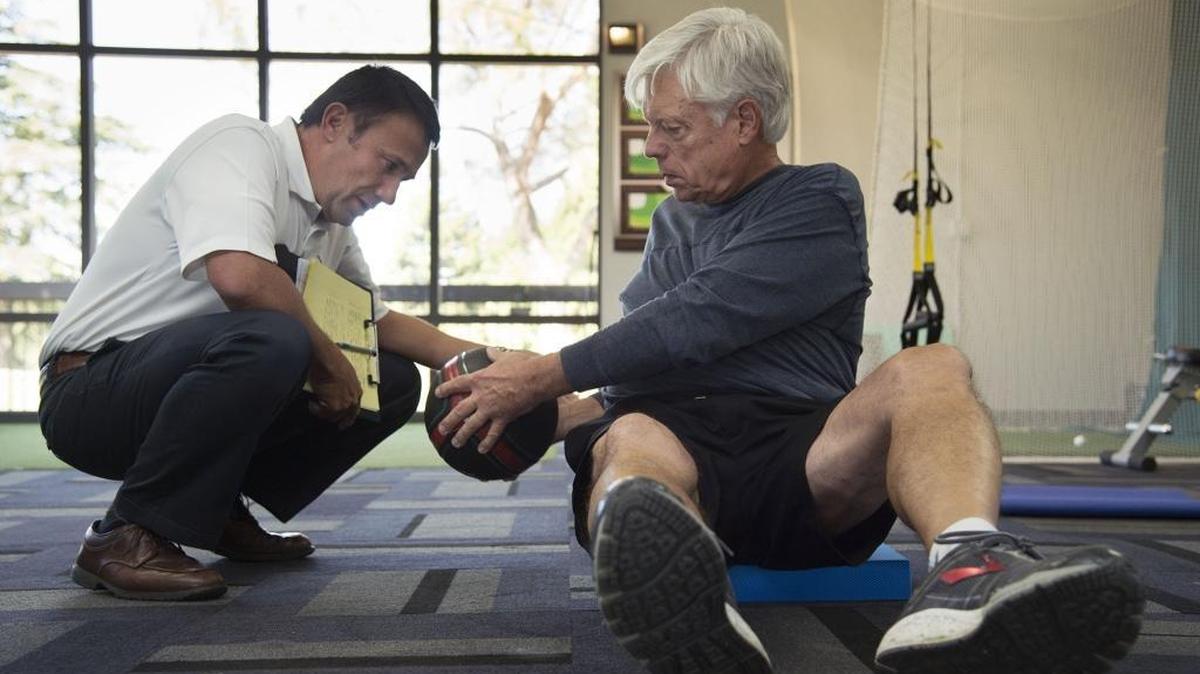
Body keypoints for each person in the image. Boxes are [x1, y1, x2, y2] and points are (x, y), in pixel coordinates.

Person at [433, 9, 1144, 673]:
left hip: (803, 458)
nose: (651, 148)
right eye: (650, 130)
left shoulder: (819, 198)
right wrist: (532, 413)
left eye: (671, 129)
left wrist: (540, 375)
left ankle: (970, 570)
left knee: (934, 363)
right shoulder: (673, 225)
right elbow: (639, 371)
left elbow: (698, 319)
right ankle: (685, 591)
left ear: (744, 120)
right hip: (673, 447)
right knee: (633, 432)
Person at [38, 65, 486, 602]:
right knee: (275, 336)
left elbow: (376, 323)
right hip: (89, 391)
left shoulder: (331, 223)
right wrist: (327, 362)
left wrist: (491, 359)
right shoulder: (240, 144)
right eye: (387, 167)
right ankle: (121, 536)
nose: (390, 194)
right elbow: (240, 275)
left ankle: (215, 507)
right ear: (336, 122)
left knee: (388, 379)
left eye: (402, 181)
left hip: (177, 385)